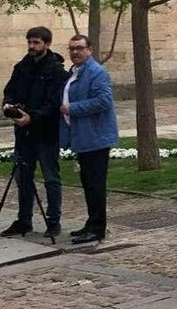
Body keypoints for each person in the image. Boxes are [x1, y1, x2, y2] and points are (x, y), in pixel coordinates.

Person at [0, 27, 68, 238]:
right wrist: (9, 106)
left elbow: (53, 102)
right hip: (23, 134)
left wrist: (33, 117)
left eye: (36, 43)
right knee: (22, 176)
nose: (32, 46)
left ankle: (53, 220)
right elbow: (9, 90)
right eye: (30, 42)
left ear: (46, 44)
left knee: (51, 178)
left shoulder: (56, 71)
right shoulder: (22, 67)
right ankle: (24, 220)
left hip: (45, 133)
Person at [59, 34, 118, 245]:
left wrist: (72, 108)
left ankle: (97, 228)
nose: (75, 52)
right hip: (83, 137)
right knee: (88, 183)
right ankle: (91, 222)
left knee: (95, 184)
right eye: (72, 48)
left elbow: (103, 101)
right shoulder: (75, 72)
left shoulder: (96, 72)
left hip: (96, 137)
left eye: (79, 48)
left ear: (89, 50)